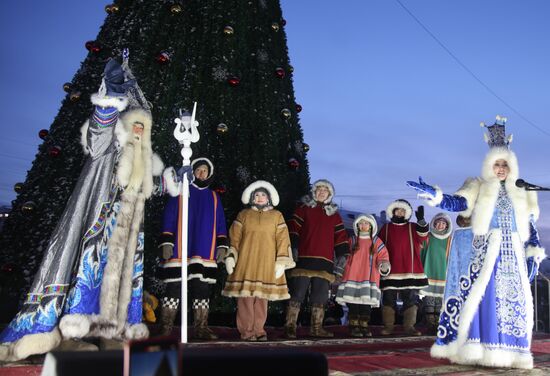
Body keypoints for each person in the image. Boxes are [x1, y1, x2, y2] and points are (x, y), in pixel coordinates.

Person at [0, 58, 163, 361]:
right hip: (95, 229)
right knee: (85, 276)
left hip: (125, 238)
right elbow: (98, 133)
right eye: (134, 125)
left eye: (144, 127)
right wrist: (110, 100)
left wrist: (177, 180)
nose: (139, 132)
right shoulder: (107, 147)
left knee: (116, 284)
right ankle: (70, 335)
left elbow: (153, 188)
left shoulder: (143, 164)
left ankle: (111, 332)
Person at [407, 117, 546, 369]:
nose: (500, 168)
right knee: (483, 301)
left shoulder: (523, 191)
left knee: (513, 305)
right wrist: (436, 196)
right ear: (489, 165)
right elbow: (458, 202)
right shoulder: (478, 185)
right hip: (486, 253)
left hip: (513, 255)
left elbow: (531, 228)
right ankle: (479, 350)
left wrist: (533, 254)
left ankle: (512, 353)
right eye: (496, 164)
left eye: (505, 164)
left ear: (512, 166)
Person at [158, 157, 228, 339]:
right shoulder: (182, 191)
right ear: (193, 172)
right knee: (173, 288)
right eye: (198, 170)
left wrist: (221, 245)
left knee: (202, 289)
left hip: (204, 250)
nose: (201, 173)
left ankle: (201, 328)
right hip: (180, 249)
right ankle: (165, 327)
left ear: (209, 174)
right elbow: (169, 216)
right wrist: (167, 240)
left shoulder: (214, 196)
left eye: (205, 170)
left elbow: (220, 223)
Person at [222, 180, 295, 341]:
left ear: (268, 197)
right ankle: (247, 332)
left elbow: (283, 239)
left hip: (266, 263)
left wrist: (282, 262)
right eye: (257, 195)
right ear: (252, 198)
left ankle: (259, 330)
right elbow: (234, 237)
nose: (260, 197)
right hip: (246, 262)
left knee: (262, 299)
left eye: (263, 194)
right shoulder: (244, 215)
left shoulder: (277, 216)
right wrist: (231, 256)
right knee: (245, 298)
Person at [285, 179, 349, 338]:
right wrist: (293, 249)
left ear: (329, 194)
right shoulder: (303, 209)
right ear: (314, 192)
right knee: (297, 295)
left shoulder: (335, 216)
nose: (321, 192)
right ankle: (290, 327)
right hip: (303, 260)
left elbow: (341, 239)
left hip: (325, 264)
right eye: (319, 189)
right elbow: (293, 230)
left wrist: (341, 260)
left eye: (325, 190)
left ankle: (316, 328)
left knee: (319, 298)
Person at [378, 199, 429, 336]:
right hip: (391, 270)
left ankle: (409, 327)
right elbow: (379, 246)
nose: (400, 212)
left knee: (410, 299)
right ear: (393, 211)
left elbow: (423, 236)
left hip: (409, 270)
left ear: (407, 213)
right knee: (388, 299)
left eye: (403, 210)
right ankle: (388, 327)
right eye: (398, 210)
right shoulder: (386, 228)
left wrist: (421, 221)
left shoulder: (413, 226)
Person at [335, 214, 390, 337]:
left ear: (371, 226)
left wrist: (384, 264)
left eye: (366, 223)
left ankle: (364, 326)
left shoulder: (376, 241)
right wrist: (339, 271)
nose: (363, 225)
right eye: (361, 223)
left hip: (368, 278)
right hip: (352, 276)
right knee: (353, 303)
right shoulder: (352, 240)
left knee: (365, 304)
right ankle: (354, 326)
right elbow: (344, 257)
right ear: (357, 226)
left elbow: (383, 256)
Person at [420, 213, 453, 334]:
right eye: (438, 223)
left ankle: (439, 323)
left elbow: (451, 258)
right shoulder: (428, 237)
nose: (440, 225)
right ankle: (430, 323)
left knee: (440, 300)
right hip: (428, 272)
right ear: (434, 223)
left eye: (443, 223)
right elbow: (421, 253)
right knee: (429, 299)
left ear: (447, 226)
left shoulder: (450, 240)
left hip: (443, 274)